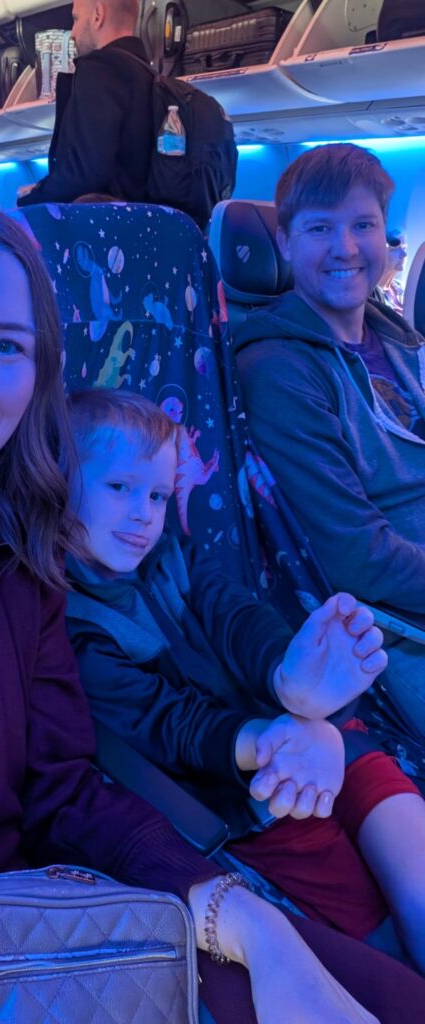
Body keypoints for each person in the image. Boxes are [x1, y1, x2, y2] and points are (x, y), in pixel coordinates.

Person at [0, 198, 424, 1024]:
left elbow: (65, 794)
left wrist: (246, 923)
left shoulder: (14, 565)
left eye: (7, 345)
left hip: (41, 933)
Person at [64, 385, 425, 970]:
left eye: (157, 495)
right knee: (382, 943)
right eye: (119, 488)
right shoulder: (75, 623)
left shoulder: (172, 555)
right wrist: (274, 738)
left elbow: (238, 618)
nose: (143, 514)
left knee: (409, 852)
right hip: (249, 795)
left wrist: (289, 675)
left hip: (317, 737)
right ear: (57, 484)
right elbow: (166, 724)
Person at [233, 143, 425, 742]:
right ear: (285, 243)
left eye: (363, 225)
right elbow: (356, 555)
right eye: (320, 228)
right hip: (394, 626)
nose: (346, 248)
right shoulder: (279, 367)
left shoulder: (399, 340)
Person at [17, 0, 154, 207]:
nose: (72, 33)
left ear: (98, 15)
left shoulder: (99, 67)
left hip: (104, 220)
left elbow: (85, 172)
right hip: (137, 218)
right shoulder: (148, 75)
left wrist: (33, 199)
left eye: (76, 19)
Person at [374, 230, 407, 314]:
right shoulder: (369, 296)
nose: (404, 254)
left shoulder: (403, 288)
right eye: (395, 249)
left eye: (404, 248)